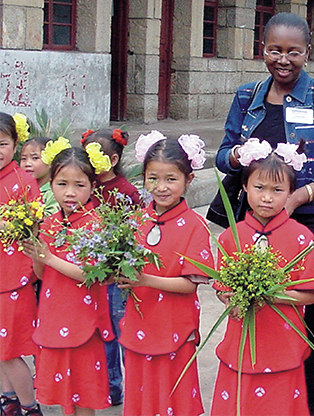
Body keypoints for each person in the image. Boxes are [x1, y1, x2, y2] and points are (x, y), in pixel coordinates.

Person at [216, 12, 314, 413]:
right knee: (287, 325)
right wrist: (236, 155)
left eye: (293, 51)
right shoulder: (247, 97)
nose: (283, 59)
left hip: (313, 225)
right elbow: (223, 156)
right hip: (258, 227)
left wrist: (299, 197)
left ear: (308, 53)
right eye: (274, 50)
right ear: (262, 49)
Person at [210, 138, 314, 416]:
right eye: (259, 188)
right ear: (245, 187)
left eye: (277, 190)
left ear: (291, 193)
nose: (267, 197)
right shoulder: (230, 237)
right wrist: (231, 301)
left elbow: (310, 293)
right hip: (241, 345)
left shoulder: (301, 237)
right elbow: (222, 288)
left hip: (283, 346)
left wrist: (270, 294)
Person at [117, 131, 214, 416]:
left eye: (171, 179)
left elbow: (189, 285)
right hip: (139, 322)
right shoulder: (135, 220)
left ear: (189, 179)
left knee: (175, 396)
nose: (161, 187)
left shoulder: (195, 225)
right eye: (153, 178)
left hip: (176, 326)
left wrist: (144, 280)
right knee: (142, 395)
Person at [23, 142, 114, 416]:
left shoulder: (97, 223)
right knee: (64, 390)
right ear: (51, 184)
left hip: (84, 318)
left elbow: (92, 276)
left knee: (83, 388)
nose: (70, 193)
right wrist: (38, 257)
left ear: (93, 186)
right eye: (62, 184)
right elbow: (42, 276)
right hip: (54, 315)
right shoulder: (49, 223)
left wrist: (48, 258)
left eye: (79, 185)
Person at [80, 128, 142, 406]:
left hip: (118, 275)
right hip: (94, 273)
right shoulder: (84, 186)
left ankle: (137, 387)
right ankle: (111, 388)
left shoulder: (125, 191)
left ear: (113, 159)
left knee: (122, 330)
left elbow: (140, 228)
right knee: (102, 332)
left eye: (96, 158)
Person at [0, 113, 42, 416]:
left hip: (13, 279)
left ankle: (29, 407)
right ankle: (9, 400)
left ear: (15, 144)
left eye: (2, 143)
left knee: (11, 352)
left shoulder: (23, 183)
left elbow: (35, 233)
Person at [20, 136, 57, 217]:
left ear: (50, 160)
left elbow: (53, 218)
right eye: (23, 159)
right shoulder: (20, 189)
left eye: (35, 158)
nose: (28, 164)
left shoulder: (54, 192)